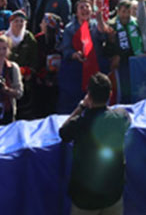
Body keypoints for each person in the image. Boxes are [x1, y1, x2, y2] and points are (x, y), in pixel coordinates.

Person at [59, 73, 129, 215]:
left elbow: (63, 132)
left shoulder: (80, 123)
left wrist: (81, 106)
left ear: (88, 95)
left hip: (85, 201)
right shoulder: (120, 117)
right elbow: (124, 116)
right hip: (113, 196)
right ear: (110, 93)